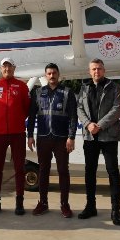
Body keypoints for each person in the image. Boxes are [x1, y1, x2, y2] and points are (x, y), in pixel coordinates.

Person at [76, 58, 120, 225]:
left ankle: (115, 210)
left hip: (108, 136)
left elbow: (117, 109)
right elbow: (79, 108)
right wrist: (88, 124)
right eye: (94, 69)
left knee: (112, 172)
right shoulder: (84, 88)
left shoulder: (114, 87)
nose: (97, 71)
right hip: (90, 136)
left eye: (100, 69)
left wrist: (100, 126)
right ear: (90, 71)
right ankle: (91, 206)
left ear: (104, 70)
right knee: (90, 172)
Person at [27, 63, 77, 218]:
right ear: (45, 75)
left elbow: (73, 117)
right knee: (43, 171)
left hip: (61, 139)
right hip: (42, 138)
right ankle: (43, 203)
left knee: (63, 171)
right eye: (49, 73)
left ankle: (65, 204)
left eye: (54, 73)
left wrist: (71, 137)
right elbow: (32, 116)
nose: (52, 76)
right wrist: (29, 135)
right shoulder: (38, 92)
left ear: (58, 74)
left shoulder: (67, 93)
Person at [0, 57, 30, 216]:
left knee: (19, 168)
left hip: (18, 134)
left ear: (14, 68)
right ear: (0, 69)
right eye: (4, 67)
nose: (7, 69)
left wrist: (16, 120)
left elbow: (26, 109)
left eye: (10, 66)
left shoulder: (22, 86)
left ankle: (19, 202)